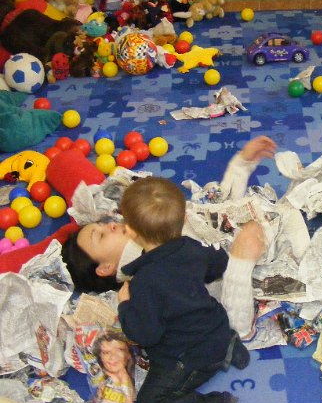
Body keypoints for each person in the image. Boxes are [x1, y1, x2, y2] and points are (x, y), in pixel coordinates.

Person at [61, 136, 277, 338]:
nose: (110, 226)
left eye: (103, 224)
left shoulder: (152, 227)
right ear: (105, 268)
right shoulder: (155, 280)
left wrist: (241, 165)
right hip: (272, 249)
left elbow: (219, 212)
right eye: (100, 236)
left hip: (263, 219)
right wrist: (241, 261)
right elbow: (235, 328)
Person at [117, 176, 248, 403]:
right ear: (185, 218)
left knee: (150, 402)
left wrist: (125, 306)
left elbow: (145, 335)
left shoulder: (143, 282)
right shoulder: (191, 248)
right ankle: (231, 347)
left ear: (131, 232)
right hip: (218, 329)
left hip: (188, 358)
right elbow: (219, 263)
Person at [92, 330, 136, 403]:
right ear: (100, 357)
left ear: (128, 355)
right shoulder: (104, 378)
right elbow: (96, 402)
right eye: (106, 352)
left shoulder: (125, 380)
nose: (113, 356)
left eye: (119, 350)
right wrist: (99, 396)